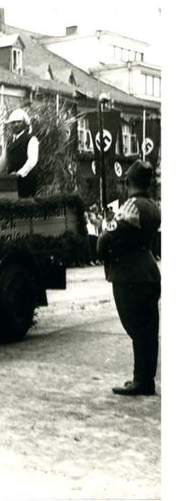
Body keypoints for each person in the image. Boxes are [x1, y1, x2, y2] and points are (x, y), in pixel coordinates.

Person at [97, 160, 161, 396]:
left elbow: (104, 238)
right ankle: (145, 379)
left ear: (128, 182)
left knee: (137, 329)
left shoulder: (130, 207)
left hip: (129, 275)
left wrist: (105, 257)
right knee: (148, 331)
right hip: (149, 272)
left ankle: (140, 381)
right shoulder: (153, 207)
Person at [0, 108, 39, 198]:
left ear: (24, 124)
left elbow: (32, 160)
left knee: (26, 203)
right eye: (12, 123)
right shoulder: (9, 141)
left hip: (27, 180)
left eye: (18, 122)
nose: (15, 125)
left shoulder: (31, 139)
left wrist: (19, 173)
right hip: (12, 181)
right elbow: (4, 159)